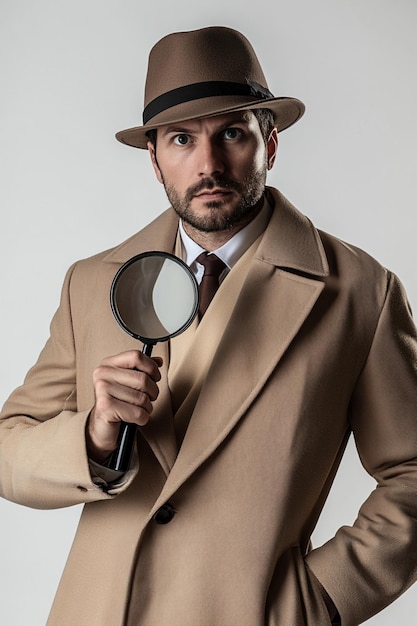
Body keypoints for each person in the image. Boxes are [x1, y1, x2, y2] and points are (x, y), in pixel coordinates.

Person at [0, 25, 416, 626]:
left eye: (231, 133)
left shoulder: (360, 294)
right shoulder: (91, 284)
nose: (208, 164)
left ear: (269, 143)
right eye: (180, 139)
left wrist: (321, 599)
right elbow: (10, 445)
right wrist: (90, 437)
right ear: (154, 159)